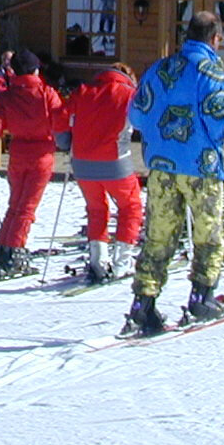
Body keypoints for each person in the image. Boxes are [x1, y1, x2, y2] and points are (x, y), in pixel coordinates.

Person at [124, 10, 224, 335]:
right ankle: (201, 295)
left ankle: (144, 302)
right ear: (216, 38)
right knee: (208, 232)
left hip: (162, 165)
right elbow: (222, 121)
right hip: (201, 166)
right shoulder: (210, 72)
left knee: (159, 233)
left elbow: (137, 115)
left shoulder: (161, 68)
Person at [0, 49, 69, 281]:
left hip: (18, 152)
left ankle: (3, 247)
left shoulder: (7, 96)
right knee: (27, 208)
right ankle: (14, 252)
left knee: (15, 204)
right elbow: (61, 121)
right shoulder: (46, 93)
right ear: (36, 69)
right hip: (41, 153)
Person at [66, 62, 141, 284]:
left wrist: (64, 140)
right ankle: (122, 262)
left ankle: (98, 262)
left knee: (96, 209)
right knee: (130, 208)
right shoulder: (130, 95)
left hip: (82, 162)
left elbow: (64, 115)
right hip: (115, 161)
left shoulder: (84, 91)